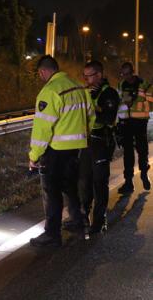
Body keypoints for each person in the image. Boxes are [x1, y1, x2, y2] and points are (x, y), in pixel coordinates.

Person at [29, 56, 94, 247]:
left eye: (40, 74)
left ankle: (52, 234)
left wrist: (34, 155)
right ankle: (79, 223)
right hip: (77, 149)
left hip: (56, 151)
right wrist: (83, 136)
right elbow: (91, 115)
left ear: (43, 71)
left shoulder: (49, 91)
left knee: (52, 192)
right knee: (71, 188)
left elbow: (42, 129)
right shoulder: (78, 87)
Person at [64, 61, 119, 234]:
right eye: (84, 75)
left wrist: (93, 105)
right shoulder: (84, 92)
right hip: (85, 142)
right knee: (83, 181)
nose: (86, 79)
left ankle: (99, 220)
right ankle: (82, 217)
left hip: (101, 142)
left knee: (99, 182)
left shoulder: (109, 93)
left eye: (89, 76)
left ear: (99, 75)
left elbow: (108, 119)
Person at [117, 62, 152, 194]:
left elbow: (150, 99)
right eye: (123, 74)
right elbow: (120, 101)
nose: (125, 76)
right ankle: (128, 182)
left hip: (140, 122)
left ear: (133, 72)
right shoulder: (122, 84)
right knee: (128, 154)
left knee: (142, 150)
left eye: (127, 73)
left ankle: (144, 173)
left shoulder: (143, 84)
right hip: (127, 123)